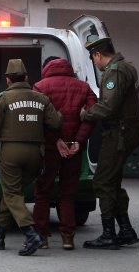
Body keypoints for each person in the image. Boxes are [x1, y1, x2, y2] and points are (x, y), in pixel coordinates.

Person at [0, 59, 62, 256]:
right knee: (13, 193)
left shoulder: (2, 99)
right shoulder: (41, 99)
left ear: (8, 80)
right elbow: (56, 123)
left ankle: (31, 233)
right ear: (26, 78)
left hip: (11, 152)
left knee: (11, 193)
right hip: (36, 154)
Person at [80, 37, 139, 250]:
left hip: (118, 134)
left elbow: (108, 107)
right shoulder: (128, 67)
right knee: (113, 182)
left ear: (98, 54)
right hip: (127, 132)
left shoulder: (114, 71)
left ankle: (109, 234)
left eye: (93, 58)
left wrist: (85, 114)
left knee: (103, 182)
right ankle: (126, 230)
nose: (95, 63)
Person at [32, 57, 97, 250]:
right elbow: (91, 116)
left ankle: (41, 237)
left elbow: (39, 118)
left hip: (51, 149)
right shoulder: (84, 87)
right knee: (67, 194)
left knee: (42, 192)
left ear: (46, 69)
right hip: (74, 149)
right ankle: (68, 237)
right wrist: (78, 141)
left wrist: (56, 141)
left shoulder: (39, 86)